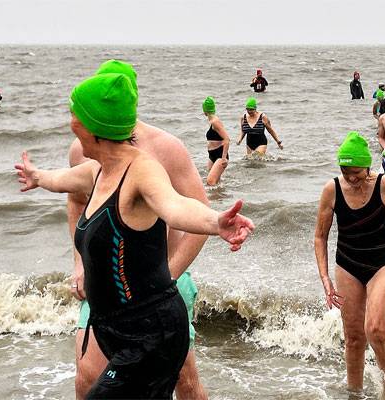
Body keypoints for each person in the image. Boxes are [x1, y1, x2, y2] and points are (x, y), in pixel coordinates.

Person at [18, 73, 255, 398]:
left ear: (94, 126)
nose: (70, 122)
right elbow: (60, 180)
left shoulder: (142, 170)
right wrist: (37, 176)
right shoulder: (98, 170)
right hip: (118, 328)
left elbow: (176, 206)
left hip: (151, 332)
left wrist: (216, 223)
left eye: (75, 116)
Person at [68, 60, 211, 400]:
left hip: (161, 287)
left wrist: (168, 276)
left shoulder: (165, 148)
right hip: (106, 288)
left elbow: (197, 212)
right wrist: (79, 264)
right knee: (87, 378)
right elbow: (76, 201)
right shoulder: (83, 149)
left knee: (184, 380)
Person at [314, 132, 385, 398]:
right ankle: (354, 393)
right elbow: (320, 236)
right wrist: (325, 278)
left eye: (356, 172)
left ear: (367, 166)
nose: (351, 178)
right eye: (345, 172)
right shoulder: (332, 189)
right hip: (348, 264)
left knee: (376, 329)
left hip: (382, 263)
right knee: (354, 337)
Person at [203, 96, 230, 185]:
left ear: (205, 110)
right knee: (214, 182)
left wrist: (223, 158)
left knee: (210, 181)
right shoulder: (212, 121)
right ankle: (221, 194)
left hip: (220, 155)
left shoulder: (215, 122)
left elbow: (227, 139)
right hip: (212, 155)